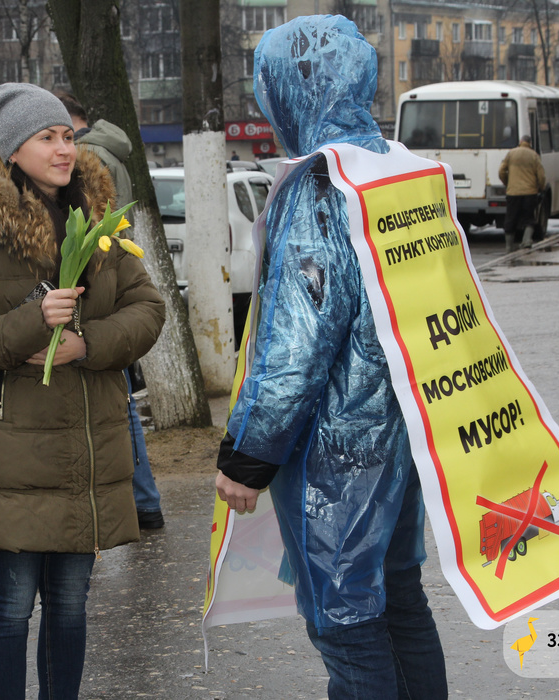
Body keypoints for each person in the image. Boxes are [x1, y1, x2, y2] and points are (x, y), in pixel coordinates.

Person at [213, 16, 448, 700]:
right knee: (400, 600)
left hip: (337, 452)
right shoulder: (396, 168)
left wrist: (248, 454)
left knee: (346, 623)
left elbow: (297, 344)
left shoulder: (321, 185)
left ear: (293, 90)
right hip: (403, 431)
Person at [0, 82, 165, 699]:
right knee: (10, 610)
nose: (64, 148)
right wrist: (33, 320)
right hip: (15, 457)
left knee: (69, 608)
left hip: (86, 454)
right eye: (47, 138)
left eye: (67, 135)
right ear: (14, 151)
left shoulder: (99, 222)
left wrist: (85, 345)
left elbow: (149, 308)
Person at [58, 92, 165, 529]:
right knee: (120, 400)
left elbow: (95, 228)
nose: (59, 148)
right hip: (109, 267)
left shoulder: (87, 157)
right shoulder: (111, 149)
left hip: (100, 276)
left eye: (60, 133)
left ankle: (142, 501)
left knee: (117, 403)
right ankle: (144, 500)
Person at [498, 134, 546, 251]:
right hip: (530, 192)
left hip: (513, 192)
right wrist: (540, 187)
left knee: (511, 218)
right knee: (529, 217)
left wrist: (507, 183)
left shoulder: (511, 153)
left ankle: (509, 246)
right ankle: (527, 240)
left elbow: (501, 171)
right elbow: (541, 176)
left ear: (520, 142)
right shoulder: (534, 155)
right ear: (530, 143)